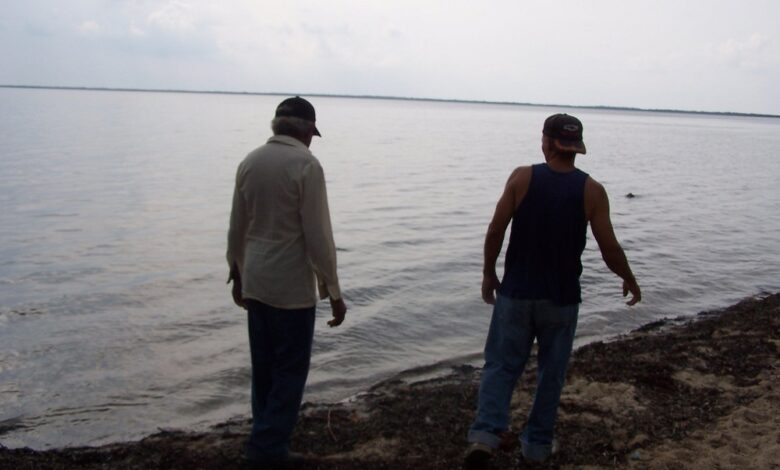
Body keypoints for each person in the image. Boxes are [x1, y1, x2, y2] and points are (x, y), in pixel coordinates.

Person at [465, 113, 641, 465]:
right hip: (561, 300)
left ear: (546, 142)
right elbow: (609, 246)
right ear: (576, 147)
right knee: (551, 374)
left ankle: (485, 437)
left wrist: (489, 272)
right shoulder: (592, 190)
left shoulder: (522, 177)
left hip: (516, 294)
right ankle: (536, 448)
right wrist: (629, 278)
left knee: (500, 366)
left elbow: (495, 230)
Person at [226, 96, 347, 466]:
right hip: (291, 289)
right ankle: (265, 451)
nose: (312, 140)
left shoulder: (250, 161)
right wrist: (334, 291)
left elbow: (237, 226)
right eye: (312, 133)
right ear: (307, 130)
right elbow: (318, 237)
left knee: (263, 370)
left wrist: (237, 272)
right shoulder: (306, 165)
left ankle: (267, 441)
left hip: (257, 282)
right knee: (290, 372)